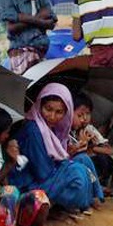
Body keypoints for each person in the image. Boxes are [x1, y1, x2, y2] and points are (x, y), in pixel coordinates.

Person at [10, 84, 103, 213]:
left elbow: (56, 159)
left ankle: (93, 197)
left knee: (83, 159)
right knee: (77, 172)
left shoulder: (51, 128)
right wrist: (66, 164)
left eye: (59, 112)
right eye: (48, 109)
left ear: (66, 112)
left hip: (45, 175)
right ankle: (50, 208)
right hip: (29, 184)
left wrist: (69, 154)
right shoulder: (33, 130)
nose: (52, 116)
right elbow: (43, 171)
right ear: (40, 105)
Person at [70, 93, 113, 193]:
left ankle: (102, 182)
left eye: (88, 114)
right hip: (77, 165)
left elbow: (111, 151)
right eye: (79, 115)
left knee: (110, 159)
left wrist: (92, 147)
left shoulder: (90, 129)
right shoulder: (66, 132)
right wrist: (80, 144)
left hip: (94, 163)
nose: (84, 119)